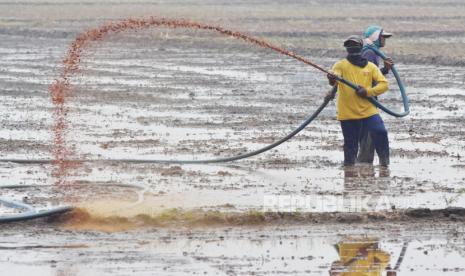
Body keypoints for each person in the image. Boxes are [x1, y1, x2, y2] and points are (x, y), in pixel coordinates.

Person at [327, 35, 390, 167]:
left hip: (368, 111)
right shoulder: (340, 65)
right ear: (346, 49)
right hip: (347, 113)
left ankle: (385, 165)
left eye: (355, 46)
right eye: (349, 46)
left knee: (380, 132)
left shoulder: (371, 67)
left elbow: (384, 84)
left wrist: (367, 91)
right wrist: (332, 78)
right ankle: (349, 172)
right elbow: (334, 78)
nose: (353, 50)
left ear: (361, 48)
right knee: (351, 144)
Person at [357, 26, 394, 165]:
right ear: (375, 37)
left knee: (370, 133)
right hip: (366, 98)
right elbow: (368, 77)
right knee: (372, 132)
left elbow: (372, 75)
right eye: (383, 37)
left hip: (368, 97)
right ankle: (367, 164)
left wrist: (385, 69)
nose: (385, 40)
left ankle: (367, 164)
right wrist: (384, 70)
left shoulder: (373, 52)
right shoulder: (369, 53)